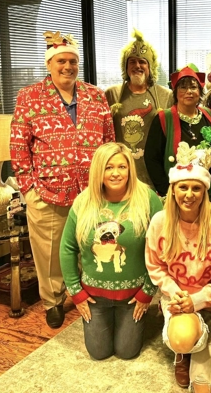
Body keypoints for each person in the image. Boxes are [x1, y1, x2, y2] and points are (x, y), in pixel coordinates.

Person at [10, 31, 114, 329]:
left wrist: (108, 183)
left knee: (92, 244)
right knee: (50, 253)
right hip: (47, 191)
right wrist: (29, 189)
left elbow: (109, 140)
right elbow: (18, 145)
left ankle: (90, 291)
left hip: (91, 192)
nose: (67, 66)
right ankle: (53, 301)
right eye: (61, 61)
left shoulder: (96, 95)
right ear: (49, 64)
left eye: (72, 61)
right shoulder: (30, 96)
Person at [145, 142, 211, 391]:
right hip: (178, 299)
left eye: (196, 188)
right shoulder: (160, 222)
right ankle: (184, 352)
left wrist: (198, 299)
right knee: (183, 339)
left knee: (206, 389)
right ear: (173, 189)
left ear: (205, 190)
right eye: (183, 187)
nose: (189, 194)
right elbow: (155, 266)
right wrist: (176, 294)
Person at [60, 143, 162, 360]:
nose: (116, 173)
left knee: (127, 352)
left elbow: (161, 247)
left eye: (122, 167)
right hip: (94, 297)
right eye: (108, 167)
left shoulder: (148, 199)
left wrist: (147, 291)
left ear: (130, 169)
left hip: (134, 295)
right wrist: (76, 293)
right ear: (99, 170)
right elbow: (67, 248)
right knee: (98, 352)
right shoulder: (83, 202)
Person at [105, 29, 173, 188]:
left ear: (150, 66)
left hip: (155, 172)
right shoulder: (112, 94)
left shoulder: (166, 95)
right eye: (132, 62)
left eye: (142, 62)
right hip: (121, 172)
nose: (137, 66)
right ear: (125, 66)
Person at [145, 65, 211, 201]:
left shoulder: (209, 114)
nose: (189, 91)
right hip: (179, 196)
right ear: (175, 92)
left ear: (200, 91)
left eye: (193, 87)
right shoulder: (164, 118)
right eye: (183, 87)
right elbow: (152, 159)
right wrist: (168, 192)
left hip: (209, 193)